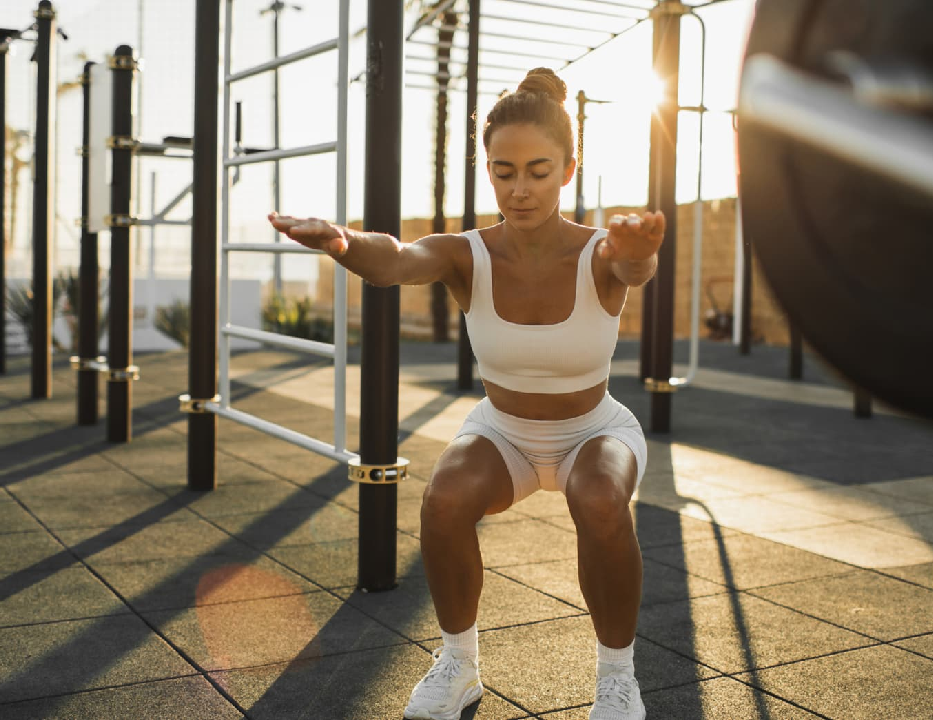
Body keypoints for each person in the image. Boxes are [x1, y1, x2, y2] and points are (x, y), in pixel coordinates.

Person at [269, 67, 664, 720]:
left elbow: (632, 268)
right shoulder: (465, 253)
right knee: (444, 496)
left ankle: (618, 680)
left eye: (538, 171)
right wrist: (341, 242)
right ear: (488, 169)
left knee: (598, 497)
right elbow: (394, 259)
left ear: (569, 169)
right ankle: (459, 665)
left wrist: (640, 253)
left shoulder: (599, 250)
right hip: (504, 431)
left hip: (594, 430)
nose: (520, 188)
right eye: (503, 171)